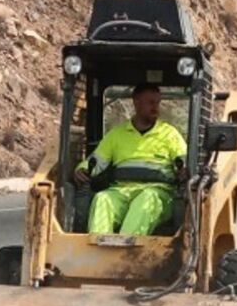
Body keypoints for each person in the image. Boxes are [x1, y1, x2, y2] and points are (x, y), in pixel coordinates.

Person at [75, 83, 187, 236]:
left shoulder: (169, 134)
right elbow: (96, 162)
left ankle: (126, 252)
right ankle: (97, 250)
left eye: (157, 102)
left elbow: (184, 161)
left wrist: (184, 170)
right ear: (136, 103)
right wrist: (82, 169)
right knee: (102, 199)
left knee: (146, 199)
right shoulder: (117, 135)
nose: (156, 108)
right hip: (122, 191)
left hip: (158, 194)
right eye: (150, 103)